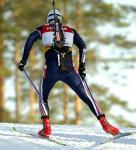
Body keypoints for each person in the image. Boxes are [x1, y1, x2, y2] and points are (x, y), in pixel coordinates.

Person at [18, 9, 120, 138]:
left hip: (51, 67)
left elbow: (30, 39)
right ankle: (105, 123)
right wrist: (82, 68)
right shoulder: (71, 30)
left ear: (48, 19)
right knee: (87, 96)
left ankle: (46, 128)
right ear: (61, 19)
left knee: (43, 96)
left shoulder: (42, 28)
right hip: (69, 68)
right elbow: (83, 47)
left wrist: (24, 60)